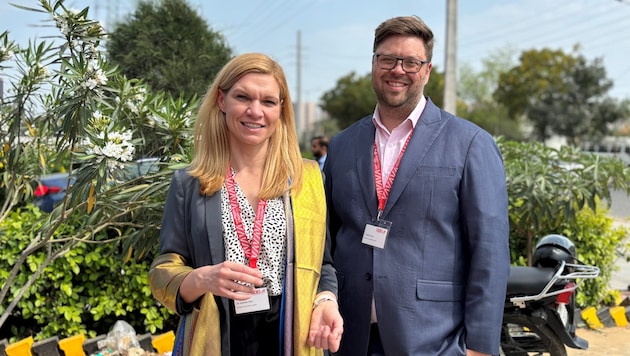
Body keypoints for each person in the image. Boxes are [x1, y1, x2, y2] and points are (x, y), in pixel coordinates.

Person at [323, 16, 510, 356]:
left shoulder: (470, 144)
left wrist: (480, 346)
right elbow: (329, 240)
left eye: (411, 62)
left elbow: (490, 250)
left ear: (427, 70)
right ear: (374, 63)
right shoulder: (343, 145)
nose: (398, 70)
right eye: (387, 59)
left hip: (434, 339)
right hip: (350, 336)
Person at [149, 53, 343, 356]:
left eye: (268, 101)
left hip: (290, 332)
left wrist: (326, 300)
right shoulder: (190, 183)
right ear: (222, 100)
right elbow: (163, 271)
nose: (255, 111)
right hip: (219, 332)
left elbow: (324, 264)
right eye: (243, 97)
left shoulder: (305, 179)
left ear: (281, 109)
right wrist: (202, 278)